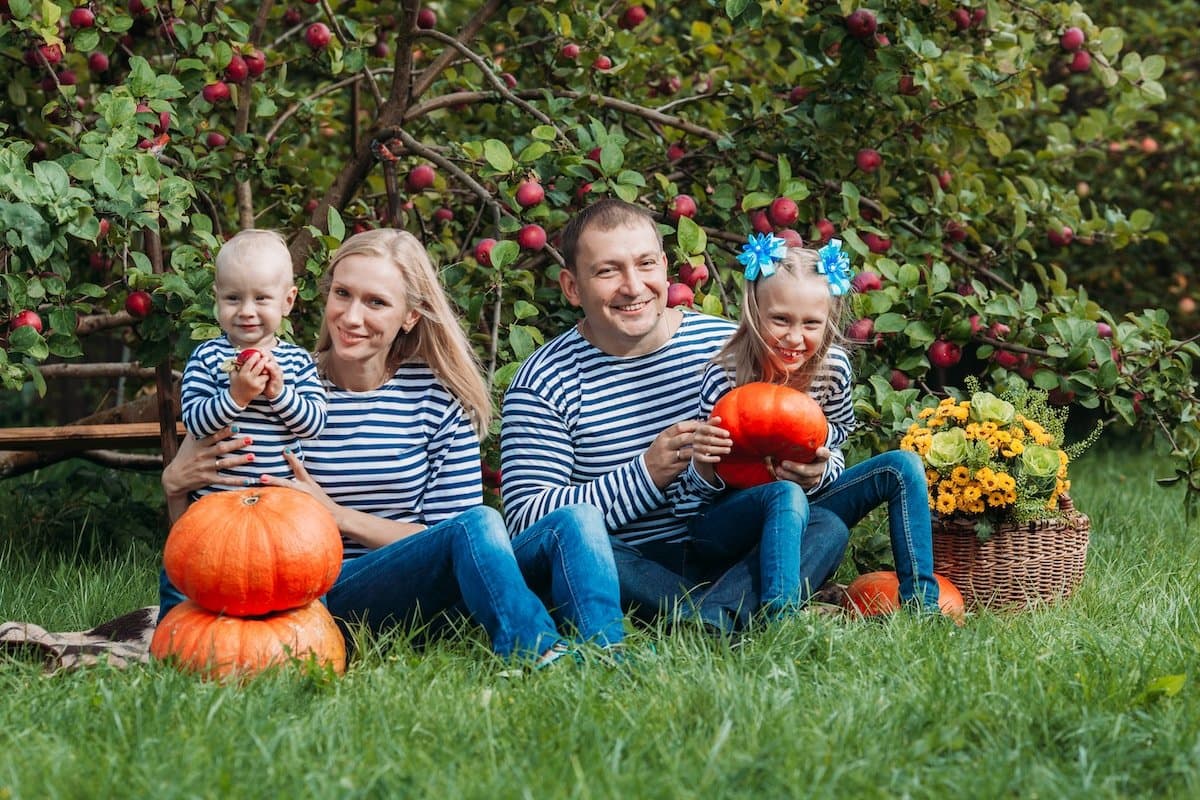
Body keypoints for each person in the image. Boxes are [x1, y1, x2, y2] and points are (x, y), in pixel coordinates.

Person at [161, 228, 626, 666]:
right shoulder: (280, 388)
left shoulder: (437, 399)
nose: (352, 316)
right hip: (332, 591)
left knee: (575, 518)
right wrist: (173, 486)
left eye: (376, 302)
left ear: (409, 316)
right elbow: (211, 526)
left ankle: (607, 659)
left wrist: (338, 515)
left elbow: (456, 539)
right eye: (342, 294)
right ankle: (535, 650)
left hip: (444, 585)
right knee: (482, 522)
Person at [500, 199, 851, 630]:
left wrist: (809, 467)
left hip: (726, 546)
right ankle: (723, 612)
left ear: (666, 267)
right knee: (586, 549)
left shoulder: (728, 349)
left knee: (826, 526)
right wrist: (645, 474)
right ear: (572, 287)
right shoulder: (543, 381)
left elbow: (805, 426)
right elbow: (528, 524)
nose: (633, 286)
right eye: (608, 271)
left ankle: (712, 612)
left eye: (645, 264)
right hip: (627, 560)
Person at [690, 234, 940, 611]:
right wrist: (704, 465)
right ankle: (780, 618)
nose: (794, 337)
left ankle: (923, 604)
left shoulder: (833, 370)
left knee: (902, 466)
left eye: (811, 323)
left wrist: (821, 471)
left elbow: (835, 440)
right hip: (729, 518)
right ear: (754, 312)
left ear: (829, 321)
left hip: (806, 505)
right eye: (780, 320)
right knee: (785, 494)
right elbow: (690, 500)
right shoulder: (724, 374)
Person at [180, 229, 326, 499]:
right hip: (219, 501)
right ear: (217, 298)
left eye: (261, 298)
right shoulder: (207, 356)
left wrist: (279, 394)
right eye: (233, 298)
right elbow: (194, 424)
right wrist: (236, 397)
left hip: (281, 501)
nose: (247, 310)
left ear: (288, 301)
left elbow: (314, 425)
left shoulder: (297, 361)